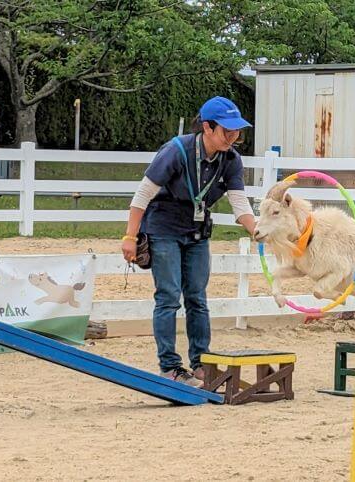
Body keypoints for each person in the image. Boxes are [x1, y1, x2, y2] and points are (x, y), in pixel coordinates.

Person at [122, 96, 255, 387]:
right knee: (168, 296)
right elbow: (142, 195)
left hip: (197, 231)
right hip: (164, 227)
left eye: (237, 132)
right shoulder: (176, 150)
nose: (233, 137)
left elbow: (240, 205)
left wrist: (258, 231)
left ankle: (201, 363)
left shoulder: (230, 159)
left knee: (197, 297)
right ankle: (169, 366)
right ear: (207, 127)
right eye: (227, 131)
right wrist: (130, 237)